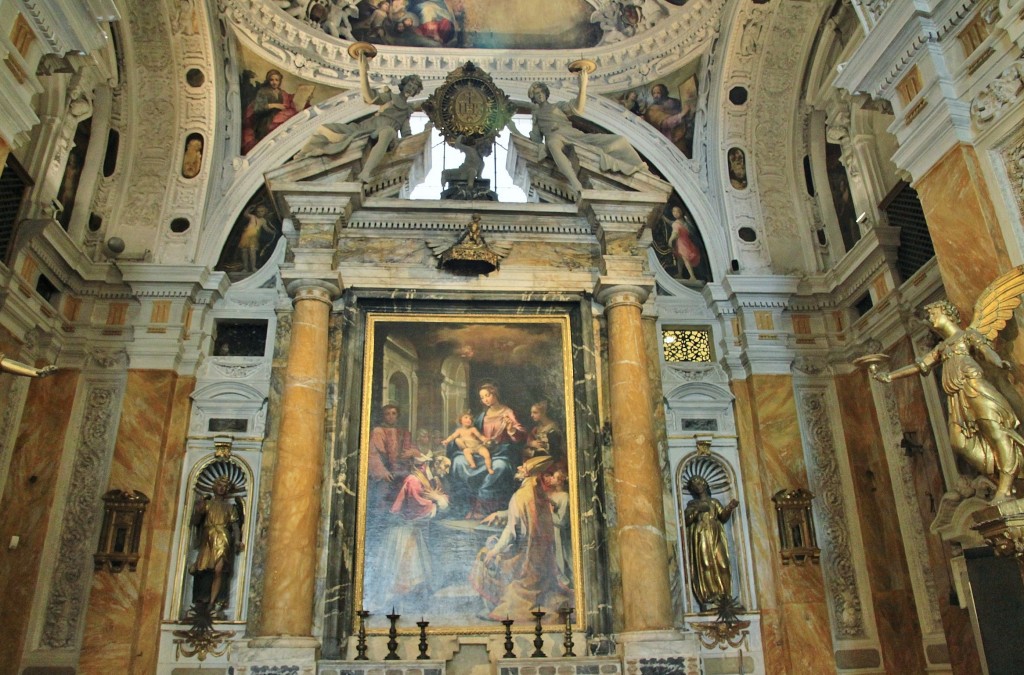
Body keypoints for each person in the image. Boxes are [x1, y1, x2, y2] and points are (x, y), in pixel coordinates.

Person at [872, 300, 1024, 500]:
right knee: (959, 443)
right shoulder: (942, 348)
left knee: (996, 433)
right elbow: (920, 366)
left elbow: (986, 351)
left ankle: (1005, 488)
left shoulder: (967, 335)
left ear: (946, 313)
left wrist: (999, 362)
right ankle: (1000, 479)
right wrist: (889, 376)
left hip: (975, 387)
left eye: (933, 313)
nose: (931, 318)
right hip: (956, 397)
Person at [294, 49, 423, 183]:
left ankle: (365, 173)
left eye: (414, 87)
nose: (411, 88)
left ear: (415, 92)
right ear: (404, 84)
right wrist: (363, 72)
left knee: (388, 132)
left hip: (386, 132)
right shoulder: (390, 96)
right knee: (326, 129)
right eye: (410, 84)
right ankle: (303, 154)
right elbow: (369, 97)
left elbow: (406, 134)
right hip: (369, 127)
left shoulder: (407, 110)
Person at [471, 455, 572, 621]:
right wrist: (499, 515)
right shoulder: (540, 497)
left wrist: (494, 551)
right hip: (541, 560)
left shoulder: (520, 496)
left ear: (527, 475)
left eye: (522, 468)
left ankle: (495, 606)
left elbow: (512, 533)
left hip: (524, 561)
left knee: (484, 555)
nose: (518, 469)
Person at [525, 67, 646, 193]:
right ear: (534, 98)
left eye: (541, 92)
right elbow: (536, 139)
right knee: (552, 143)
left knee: (619, 140)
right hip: (554, 137)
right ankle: (575, 184)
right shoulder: (537, 115)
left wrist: (582, 86)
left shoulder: (558, 106)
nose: (539, 95)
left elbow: (578, 108)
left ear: (545, 93)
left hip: (573, 134)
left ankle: (641, 169)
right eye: (536, 94)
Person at [367, 452, 450, 613]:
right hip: (404, 531)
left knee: (418, 570)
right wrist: (437, 502)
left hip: (416, 530)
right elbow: (416, 507)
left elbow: (442, 496)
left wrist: (440, 500)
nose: (447, 470)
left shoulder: (432, 478)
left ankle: (412, 603)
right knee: (406, 569)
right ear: (435, 465)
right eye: (445, 466)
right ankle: (398, 605)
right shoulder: (414, 480)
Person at [449, 384, 525, 519]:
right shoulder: (482, 415)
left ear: (495, 394)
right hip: (480, 451)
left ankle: (482, 505)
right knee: (459, 461)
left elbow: (521, 435)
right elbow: (471, 433)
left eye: (487, 395)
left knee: (500, 467)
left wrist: (510, 429)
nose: (485, 399)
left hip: (500, 453)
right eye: (482, 397)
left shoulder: (507, 412)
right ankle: (467, 505)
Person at [189, 475, 244, 614]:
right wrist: (198, 510)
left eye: (225, 486)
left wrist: (237, 540)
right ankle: (203, 600)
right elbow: (195, 522)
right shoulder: (207, 504)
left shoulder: (230, 507)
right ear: (214, 486)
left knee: (220, 569)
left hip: (223, 538)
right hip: (208, 538)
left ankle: (215, 601)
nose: (222, 488)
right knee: (204, 567)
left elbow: (236, 526)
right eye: (219, 485)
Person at [683, 475, 738, 612]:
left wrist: (730, 507)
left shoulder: (714, 502)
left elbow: (723, 517)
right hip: (701, 535)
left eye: (700, 483)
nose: (698, 486)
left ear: (705, 484)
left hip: (716, 534)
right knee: (706, 565)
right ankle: (710, 596)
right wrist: (697, 511)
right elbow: (687, 520)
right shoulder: (692, 504)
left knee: (723, 564)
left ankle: (725, 596)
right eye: (695, 485)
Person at [368, 403, 418, 509]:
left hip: (402, 471)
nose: (391, 416)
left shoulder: (404, 432)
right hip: (386, 472)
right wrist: (382, 472)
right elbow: (373, 455)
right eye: (387, 414)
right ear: (383, 416)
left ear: (397, 416)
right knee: (383, 500)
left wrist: (412, 452)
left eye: (393, 413)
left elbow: (414, 449)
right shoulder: (378, 431)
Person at [242, 69, 302, 154]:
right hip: (266, 119)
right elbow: (258, 107)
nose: (274, 82)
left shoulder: (282, 92)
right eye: (272, 80)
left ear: (280, 81)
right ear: (268, 80)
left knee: (291, 115)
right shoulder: (264, 92)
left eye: (277, 80)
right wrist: (274, 105)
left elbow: (289, 102)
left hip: (278, 116)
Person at [237, 204, 277, 273]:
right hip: (246, 236)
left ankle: (253, 267)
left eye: (262, 211)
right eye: (258, 211)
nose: (259, 213)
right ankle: (245, 268)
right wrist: (250, 207)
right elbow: (245, 214)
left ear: (265, 212)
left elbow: (266, 228)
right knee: (244, 252)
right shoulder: (252, 217)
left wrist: (272, 232)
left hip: (254, 238)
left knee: (252, 252)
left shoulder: (263, 220)